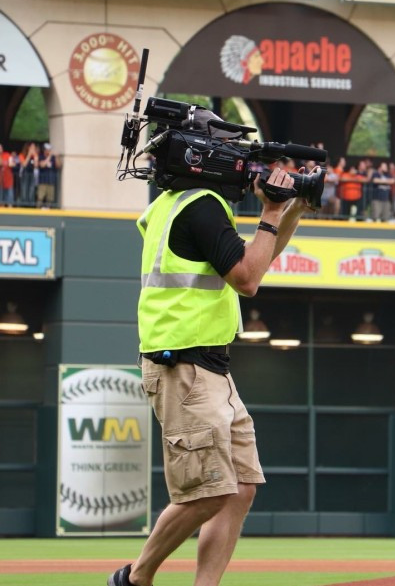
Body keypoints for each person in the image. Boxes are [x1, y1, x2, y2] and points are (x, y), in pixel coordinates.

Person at [108, 164, 316, 586]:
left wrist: (293, 209)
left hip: (209, 366)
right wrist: (271, 212)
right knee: (209, 491)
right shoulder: (201, 206)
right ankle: (135, 578)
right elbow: (248, 279)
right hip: (183, 364)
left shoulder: (177, 203)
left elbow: (257, 256)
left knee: (239, 486)